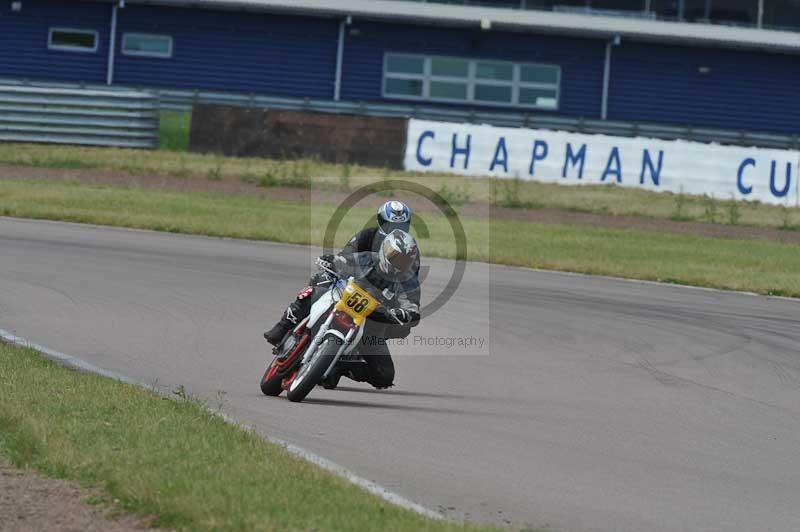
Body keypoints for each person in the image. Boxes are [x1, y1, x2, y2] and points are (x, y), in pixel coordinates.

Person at [265, 229, 421, 389]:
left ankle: (338, 367)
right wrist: (331, 261)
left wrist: (406, 314)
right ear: (384, 250)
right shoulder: (368, 258)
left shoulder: (408, 282)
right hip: (343, 299)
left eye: (403, 261)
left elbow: (411, 305)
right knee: (320, 281)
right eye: (394, 255)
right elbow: (343, 261)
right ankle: (283, 326)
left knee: (385, 375)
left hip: (371, 324)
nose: (397, 262)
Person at [264, 200, 418, 345]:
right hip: (353, 282)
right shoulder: (367, 236)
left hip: (382, 295)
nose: (395, 231)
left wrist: (402, 310)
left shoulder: (409, 249)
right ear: (380, 222)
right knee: (321, 277)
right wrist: (334, 263)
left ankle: (368, 344)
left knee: (403, 327)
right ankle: (286, 324)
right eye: (390, 226)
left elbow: (410, 283)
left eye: (402, 226)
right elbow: (344, 258)